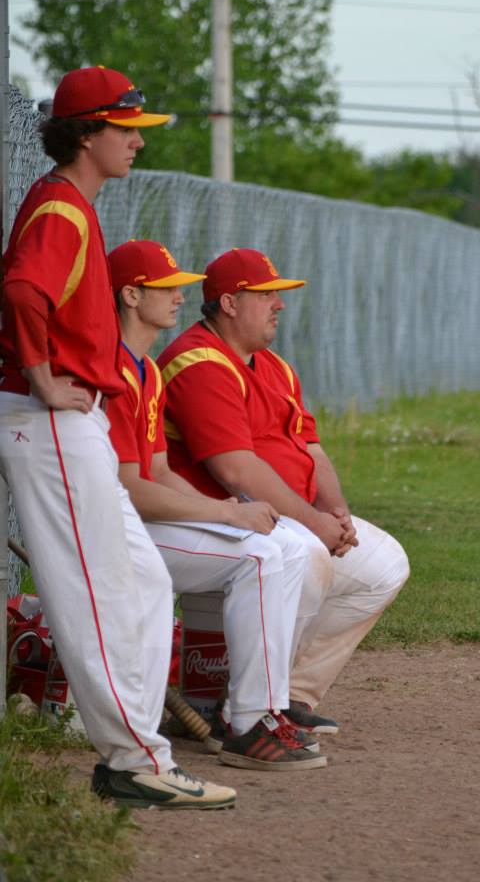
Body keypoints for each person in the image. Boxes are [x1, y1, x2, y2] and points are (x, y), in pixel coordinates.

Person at [0, 66, 235, 809]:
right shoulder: (62, 208)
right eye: (125, 128)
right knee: (98, 594)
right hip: (48, 419)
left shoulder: (72, 204)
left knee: (145, 582)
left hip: (73, 420)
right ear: (86, 133)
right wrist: (42, 376)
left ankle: (138, 752)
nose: (137, 141)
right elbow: (21, 290)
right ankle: (133, 761)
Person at [157, 247, 410, 731]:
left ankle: (291, 693)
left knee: (384, 566)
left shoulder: (274, 366)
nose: (280, 304)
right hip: (222, 515)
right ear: (229, 303)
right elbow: (236, 472)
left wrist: (337, 514)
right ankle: (252, 707)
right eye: (266, 294)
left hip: (288, 515)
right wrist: (314, 524)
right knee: (305, 556)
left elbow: (312, 449)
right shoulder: (199, 362)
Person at [105, 238, 327, 771]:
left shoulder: (146, 369)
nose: (181, 297)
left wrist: (229, 509)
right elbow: (128, 487)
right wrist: (226, 513)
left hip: (142, 520)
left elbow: (160, 472)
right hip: (111, 528)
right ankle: (249, 722)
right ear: (131, 296)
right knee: (260, 555)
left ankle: (263, 710)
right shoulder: (109, 372)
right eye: (167, 287)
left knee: (282, 544)